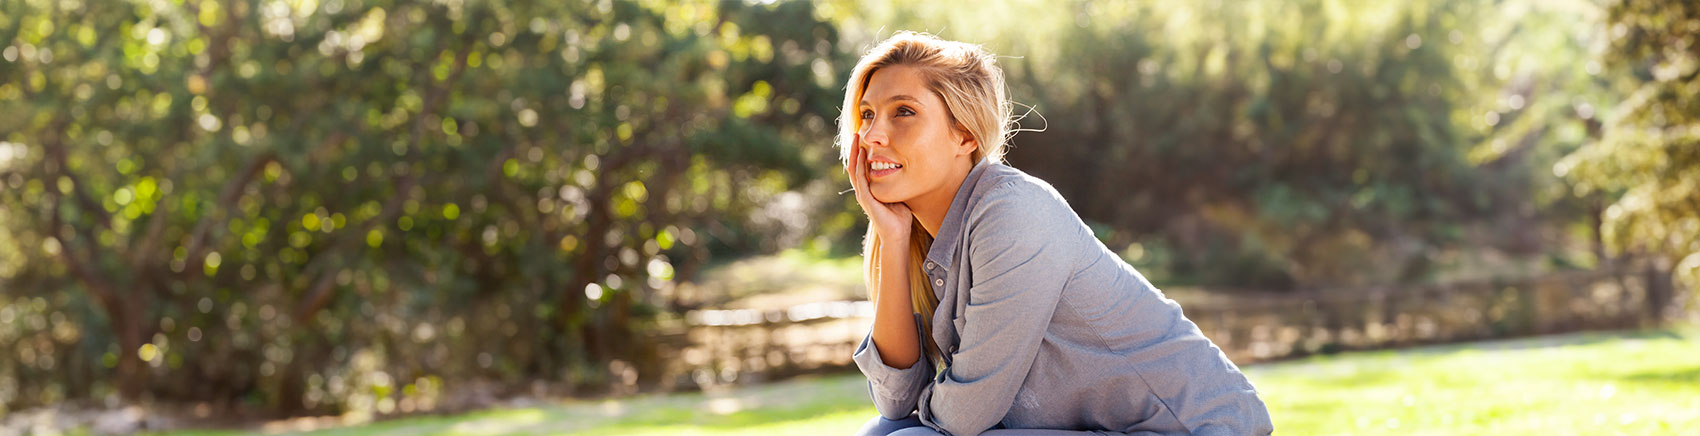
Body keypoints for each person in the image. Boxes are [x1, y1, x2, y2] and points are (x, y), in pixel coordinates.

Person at [841, 32, 1275, 436]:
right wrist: (893, 240)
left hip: (1194, 429)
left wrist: (921, 412)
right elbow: (896, 403)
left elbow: (963, 417)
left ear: (965, 135)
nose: (872, 134)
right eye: (867, 114)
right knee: (885, 431)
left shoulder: (1012, 212)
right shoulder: (923, 237)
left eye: (904, 112)